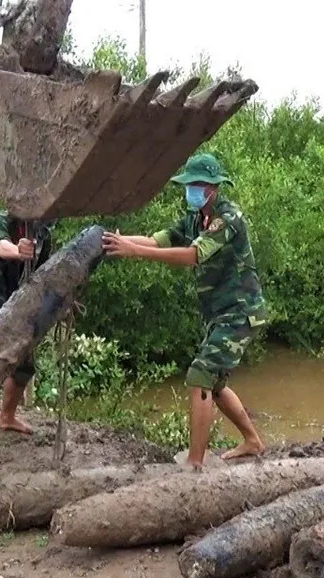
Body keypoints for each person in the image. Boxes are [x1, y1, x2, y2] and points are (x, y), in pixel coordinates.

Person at [101, 153, 268, 470]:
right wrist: (118, 241)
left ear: (213, 188)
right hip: (221, 314)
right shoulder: (193, 219)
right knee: (215, 385)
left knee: (200, 375)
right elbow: (156, 239)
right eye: (188, 184)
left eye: (196, 184)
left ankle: (194, 464)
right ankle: (253, 441)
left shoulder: (227, 218)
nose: (190, 189)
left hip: (241, 312)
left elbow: (194, 255)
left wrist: (135, 252)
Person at [0, 211, 56, 464]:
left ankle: (6, 417)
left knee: (24, 367)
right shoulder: (0, 220)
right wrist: (18, 250)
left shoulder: (43, 232)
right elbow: (0, 247)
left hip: (19, 303)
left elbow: (43, 272)